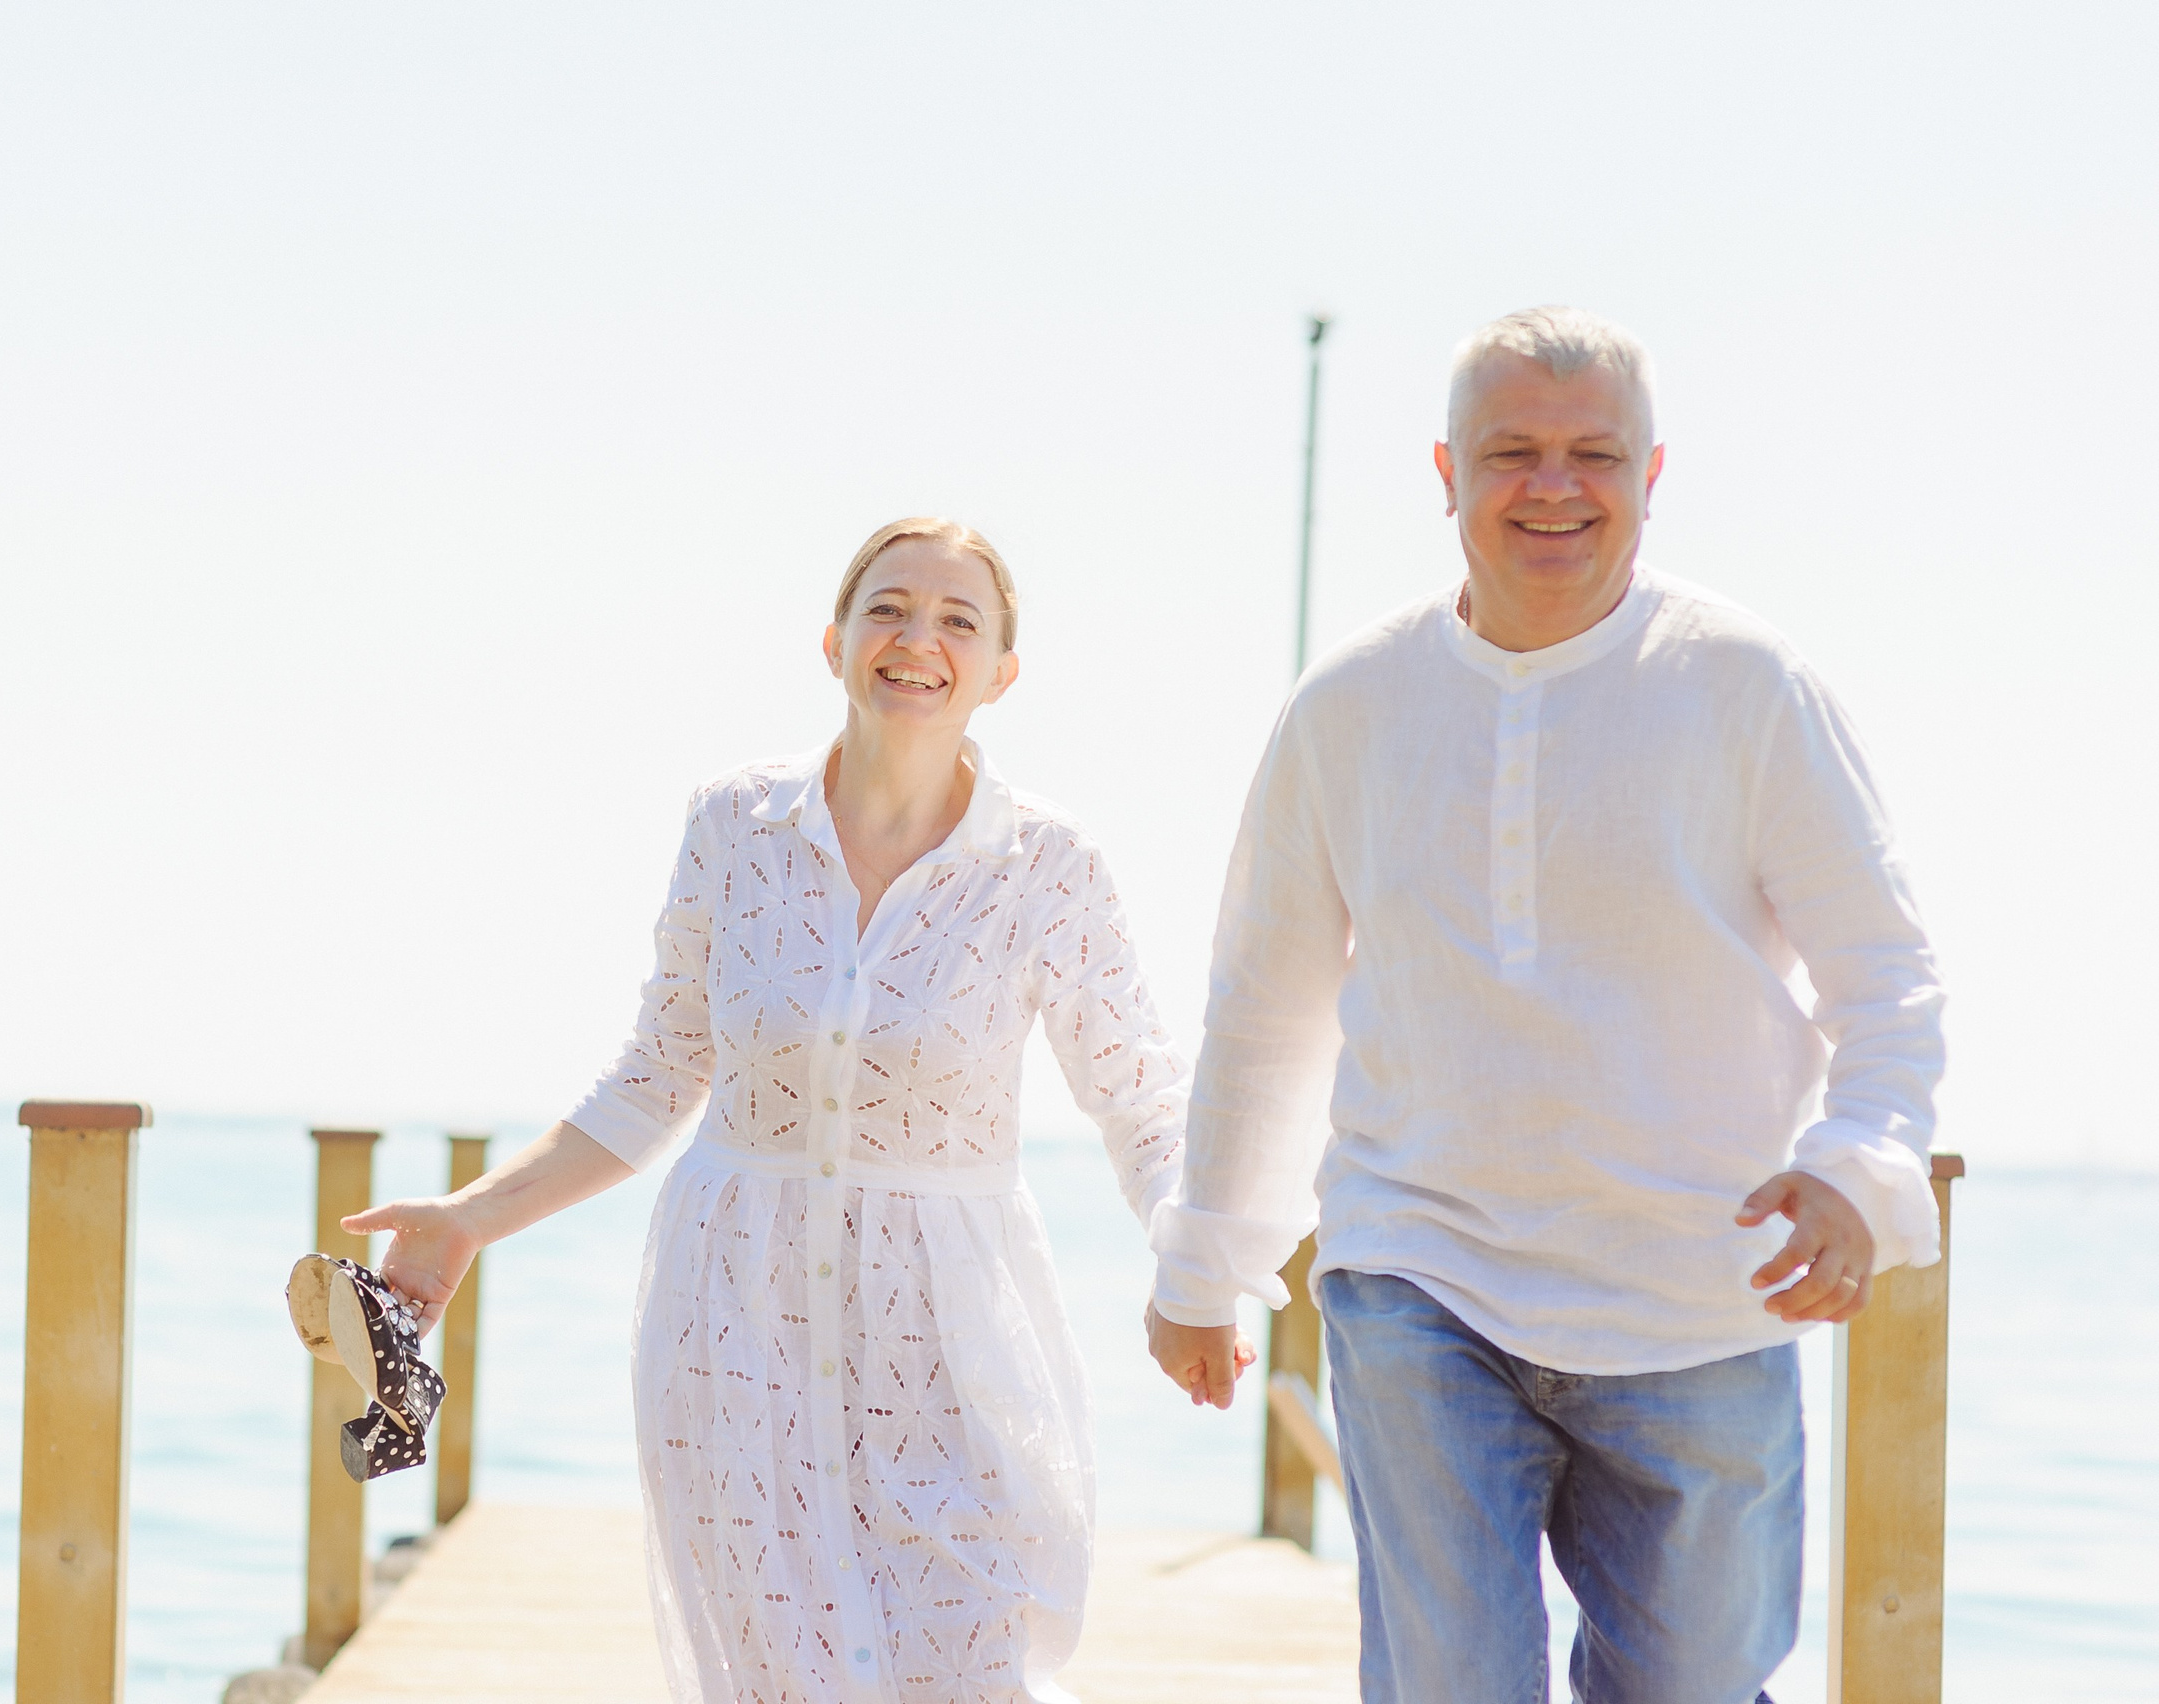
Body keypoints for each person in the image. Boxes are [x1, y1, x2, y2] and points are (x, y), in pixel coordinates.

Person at [1144, 306, 1947, 1702]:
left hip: (1700, 1293)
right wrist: (1207, 1258)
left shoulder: (1748, 685)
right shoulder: (1347, 706)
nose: (1554, 486)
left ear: (1652, 471)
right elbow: (1267, 1002)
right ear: (1446, 471)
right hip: (1422, 1274)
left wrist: (1856, 1167)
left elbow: (1888, 977)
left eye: (1595, 454)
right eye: (1512, 451)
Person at [343, 518, 1198, 1704]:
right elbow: (658, 1074)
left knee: (969, 1662)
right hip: (731, 1321)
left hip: (945, 1328)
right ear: (835, 640)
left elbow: (1140, 1094)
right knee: (786, 1682)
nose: (918, 640)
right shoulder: (732, 827)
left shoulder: (1049, 865)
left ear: (1002, 672)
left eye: (960, 621)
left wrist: (1201, 1263)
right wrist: (470, 1219)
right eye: (889, 608)